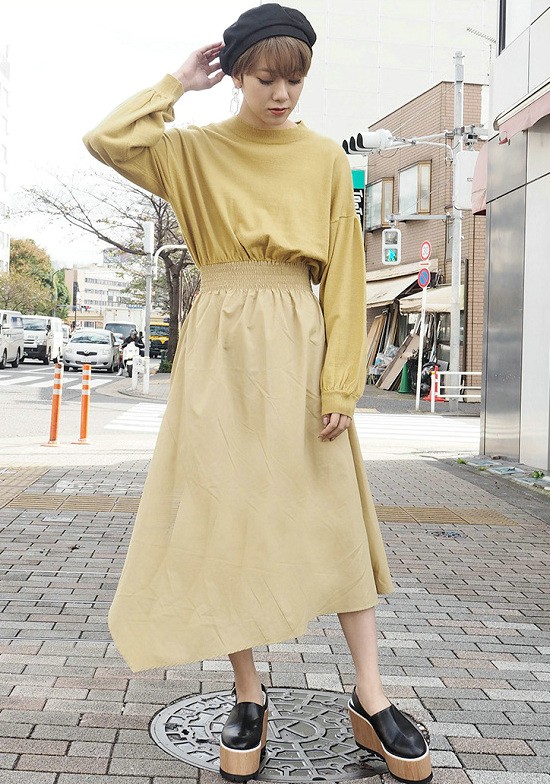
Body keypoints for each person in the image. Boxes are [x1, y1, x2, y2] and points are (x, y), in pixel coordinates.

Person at [83, 5, 432, 783]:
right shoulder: (193, 150)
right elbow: (108, 139)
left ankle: (371, 694)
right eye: (267, 77)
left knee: (334, 513)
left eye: (295, 79)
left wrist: (341, 382)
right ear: (237, 73)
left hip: (300, 344)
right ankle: (249, 693)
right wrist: (177, 82)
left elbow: (345, 276)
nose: (282, 94)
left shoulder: (320, 158)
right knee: (227, 512)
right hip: (219, 349)